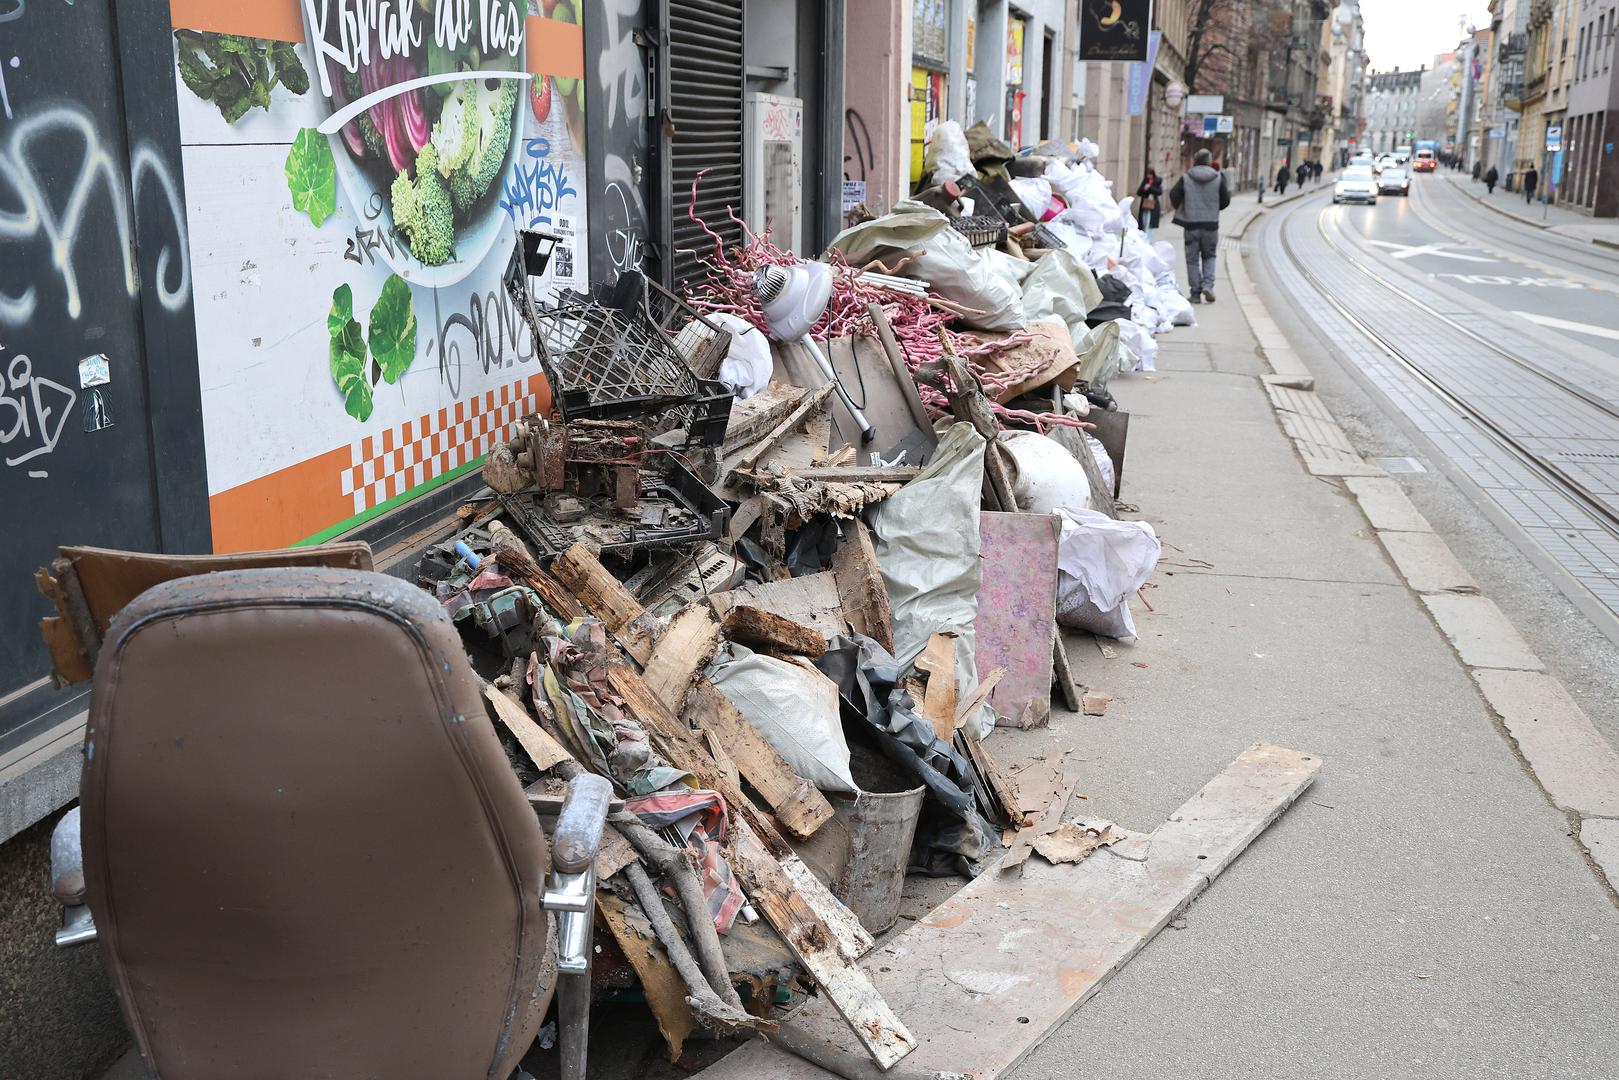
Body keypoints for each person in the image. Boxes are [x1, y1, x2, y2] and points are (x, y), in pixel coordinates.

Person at [1170, 148, 1231, 305]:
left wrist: (1184, 206)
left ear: (1195, 160)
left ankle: (1195, 293)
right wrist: (1213, 207)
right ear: (1209, 161)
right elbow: (1226, 200)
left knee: (1192, 260)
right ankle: (1208, 286)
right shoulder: (1218, 178)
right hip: (1211, 225)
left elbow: (1173, 195)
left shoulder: (1186, 177)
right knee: (1209, 256)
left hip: (1191, 225)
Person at [1135, 167, 1163, 242]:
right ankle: (1144, 238)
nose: (1149, 176)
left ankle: (1148, 240)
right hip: (1145, 205)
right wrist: (1145, 188)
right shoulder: (1145, 181)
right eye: (1148, 174)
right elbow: (1139, 192)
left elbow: (1159, 192)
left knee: (1150, 223)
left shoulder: (1157, 181)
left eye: (1150, 174)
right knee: (1144, 221)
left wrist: (1150, 188)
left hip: (1153, 206)